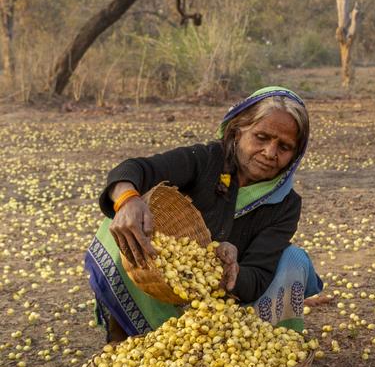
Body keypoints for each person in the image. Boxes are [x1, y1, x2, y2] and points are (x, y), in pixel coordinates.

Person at [84, 86, 324, 342]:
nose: (270, 153)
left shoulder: (285, 204)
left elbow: (258, 276)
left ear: (295, 156)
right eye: (262, 137)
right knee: (121, 226)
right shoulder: (206, 160)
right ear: (237, 130)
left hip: (228, 310)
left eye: (284, 147)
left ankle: (266, 347)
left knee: (295, 259)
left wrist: (232, 272)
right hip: (161, 291)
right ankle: (130, 336)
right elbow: (135, 169)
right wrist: (127, 199)